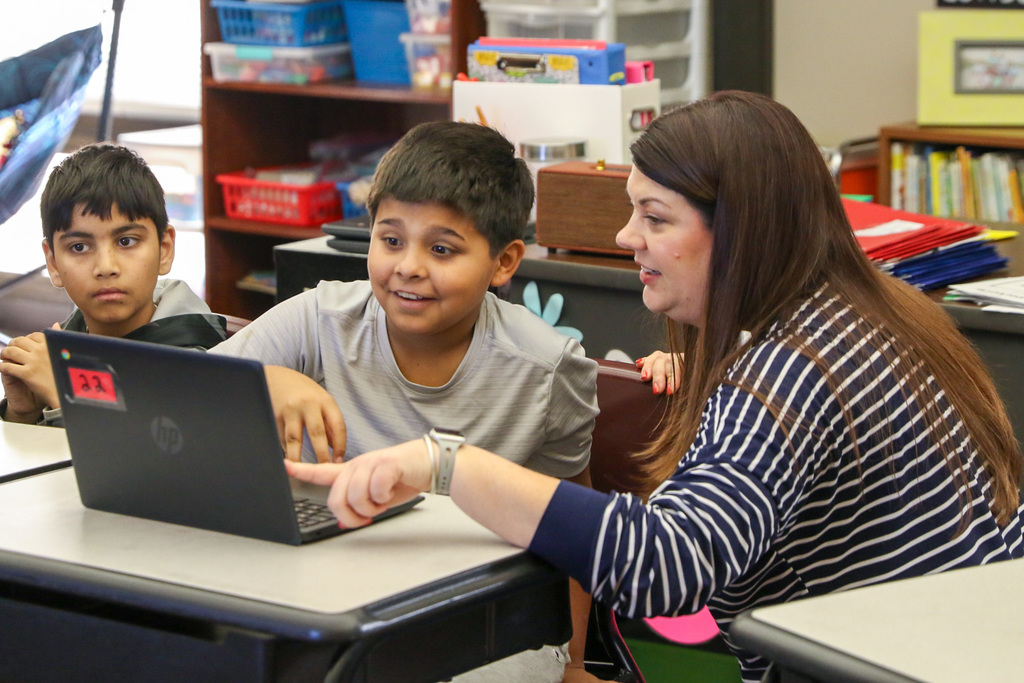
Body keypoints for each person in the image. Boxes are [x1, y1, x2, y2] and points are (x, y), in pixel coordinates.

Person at [284, 91, 1024, 683]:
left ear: (740, 229)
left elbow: (664, 566)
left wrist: (445, 462)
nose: (626, 238)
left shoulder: (792, 369)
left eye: (654, 216)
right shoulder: (864, 315)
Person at [209, 120, 598, 680]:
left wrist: (574, 662)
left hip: (479, 622)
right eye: (391, 240)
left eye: (442, 248)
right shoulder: (318, 320)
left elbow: (570, 524)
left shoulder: (548, 369)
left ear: (504, 263)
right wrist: (267, 380)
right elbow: (187, 395)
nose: (408, 266)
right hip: (328, 603)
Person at [0, 143, 227, 427]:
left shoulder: (199, 366)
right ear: (54, 263)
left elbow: (148, 460)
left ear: (164, 249)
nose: (106, 267)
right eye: (80, 247)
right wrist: (23, 414)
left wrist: (65, 396)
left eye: (126, 241)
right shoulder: (69, 342)